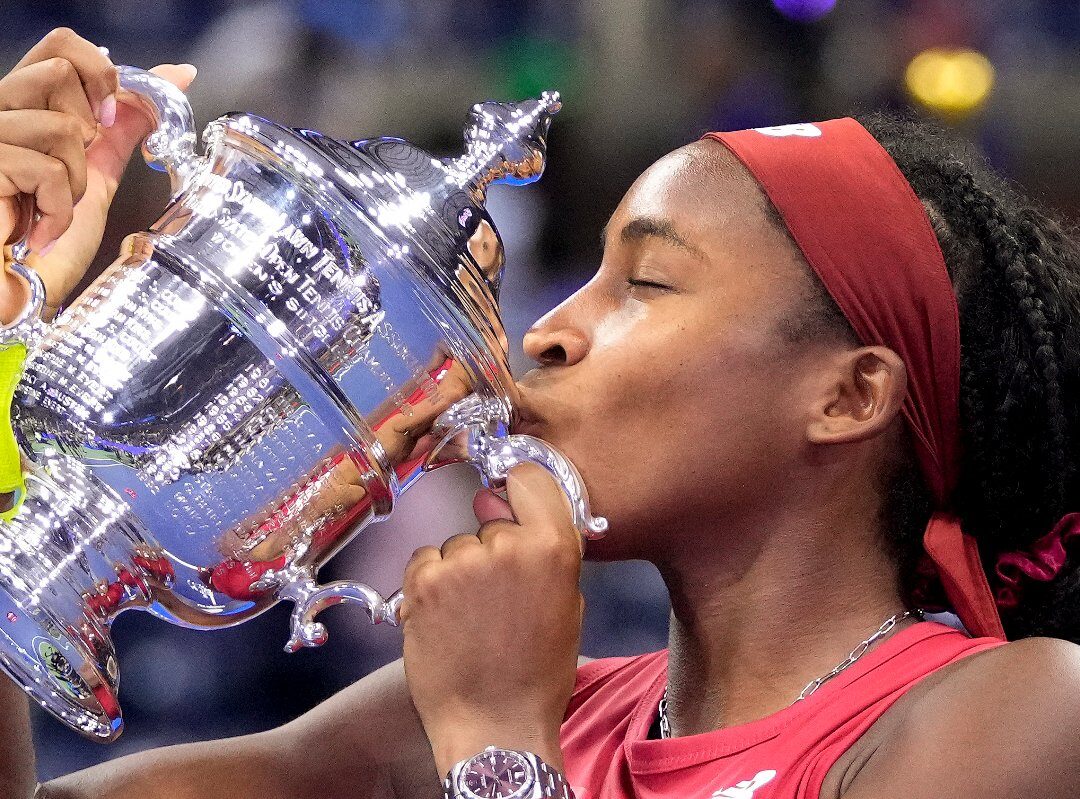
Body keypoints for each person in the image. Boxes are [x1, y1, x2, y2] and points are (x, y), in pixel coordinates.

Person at [2, 26, 1080, 799]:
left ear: (849, 394)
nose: (549, 331)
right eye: (587, 276)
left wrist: (496, 745)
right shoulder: (533, 703)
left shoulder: (1019, 708)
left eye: (645, 285)